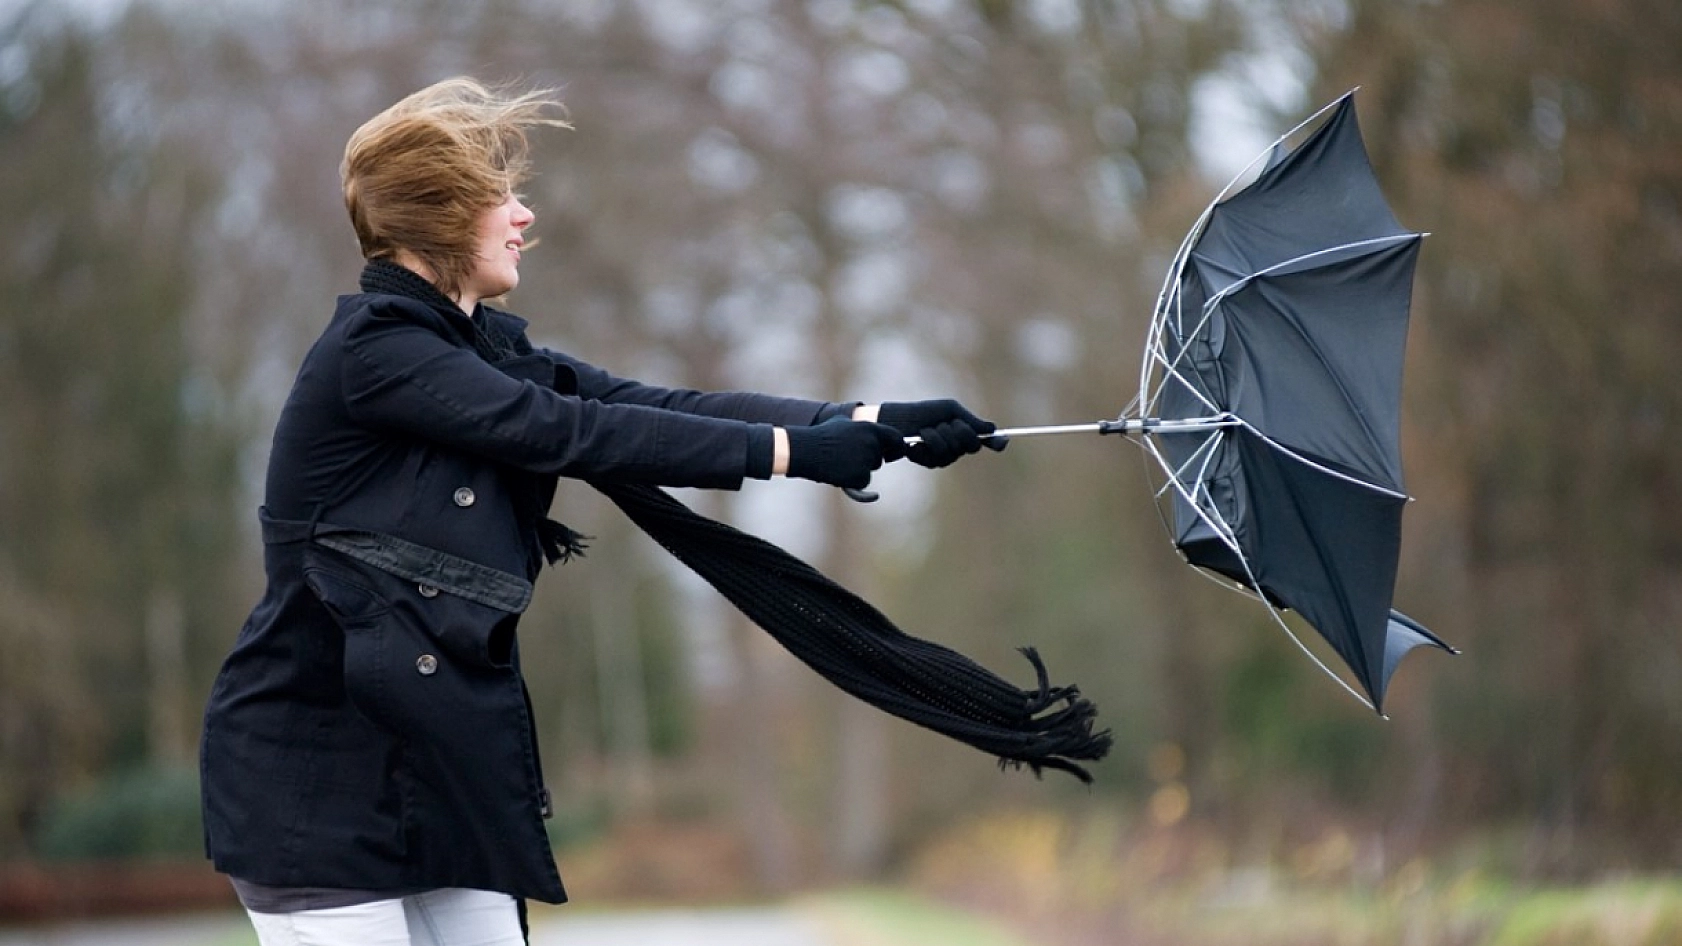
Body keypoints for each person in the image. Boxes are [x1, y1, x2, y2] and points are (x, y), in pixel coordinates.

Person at [198, 77, 1003, 946]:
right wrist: (791, 454)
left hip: (438, 777)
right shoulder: (376, 353)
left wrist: (863, 420)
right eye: (499, 197)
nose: (523, 215)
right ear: (440, 215)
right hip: (316, 785)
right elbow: (565, 431)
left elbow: (645, 403)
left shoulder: (481, 349)